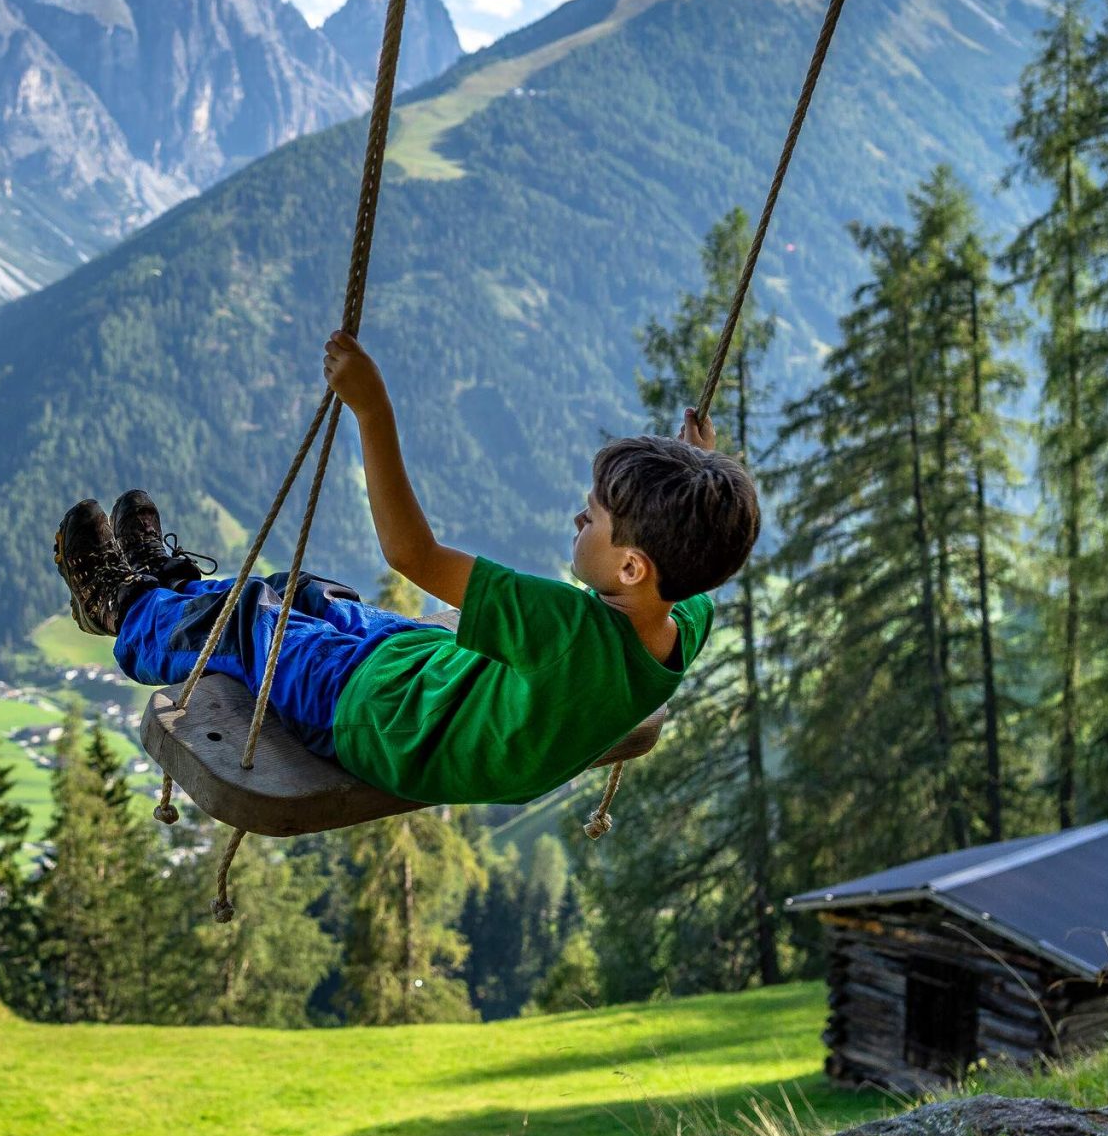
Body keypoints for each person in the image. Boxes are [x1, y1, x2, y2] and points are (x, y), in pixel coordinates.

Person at [50, 330, 761, 805]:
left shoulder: (566, 630)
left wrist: (371, 407)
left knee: (246, 622)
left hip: (374, 715)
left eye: (595, 516)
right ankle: (172, 586)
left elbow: (412, 553)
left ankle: (126, 604)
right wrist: (700, 463)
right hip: (417, 667)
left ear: (633, 566)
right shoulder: (684, 613)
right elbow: (694, 547)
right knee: (297, 595)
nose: (581, 515)